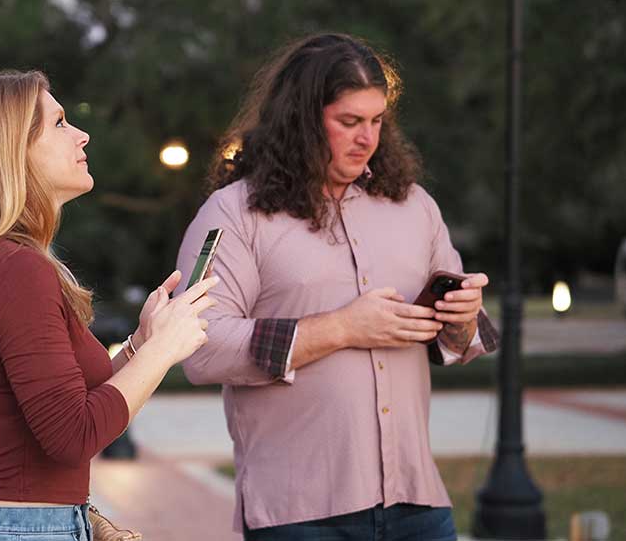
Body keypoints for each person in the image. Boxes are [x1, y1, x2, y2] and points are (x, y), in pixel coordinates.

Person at [176, 33, 499, 540]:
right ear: (302, 119)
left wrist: (460, 319)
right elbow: (199, 348)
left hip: (418, 505)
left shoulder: (415, 206)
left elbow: (461, 343)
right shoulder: (234, 213)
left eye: (376, 121)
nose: (367, 138)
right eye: (349, 122)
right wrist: (342, 328)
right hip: (298, 513)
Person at [0, 70, 217, 541]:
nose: (82, 134)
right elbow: (72, 437)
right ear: (12, 151)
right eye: (60, 123)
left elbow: (68, 406)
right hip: (18, 530)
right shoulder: (14, 269)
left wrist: (139, 344)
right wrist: (162, 352)